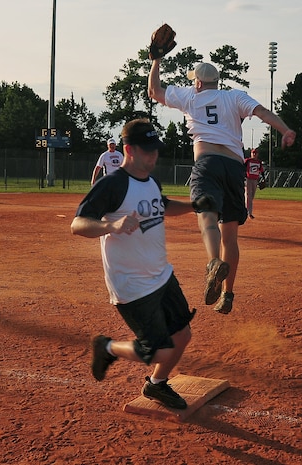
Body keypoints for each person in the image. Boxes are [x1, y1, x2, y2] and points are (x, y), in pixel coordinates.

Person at [148, 59, 296, 314]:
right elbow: (262, 113)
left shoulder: (190, 97)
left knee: (206, 212)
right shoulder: (234, 96)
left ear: (197, 82)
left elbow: (155, 92)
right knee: (230, 236)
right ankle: (227, 295)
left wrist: (156, 60)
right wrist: (285, 130)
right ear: (217, 81)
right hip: (233, 167)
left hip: (207, 163)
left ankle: (213, 261)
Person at [71, 118, 198, 410]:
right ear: (129, 149)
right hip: (133, 285)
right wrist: (111, 226)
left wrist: (193, 206)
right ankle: (107, 347)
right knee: (160, 352)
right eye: (147, 151)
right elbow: (78, 224)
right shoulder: (112, 184)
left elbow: (161, 205)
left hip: (162, 274)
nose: (154, 156)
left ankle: (157, 386)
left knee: (182, 335)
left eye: (156, 150)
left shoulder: (151, 180)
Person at [244, 148, 265, 219]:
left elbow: (262, 171)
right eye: (253, 153)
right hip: (248, 179)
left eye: (255, 153)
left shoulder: (259, 162)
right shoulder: (248, 161)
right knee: (249, 196)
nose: (254, 154)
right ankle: (249, 213)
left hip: (255, 180)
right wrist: (243, 177)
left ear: (257, 154)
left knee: (252, 196)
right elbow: (243, 168)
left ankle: (246, 209)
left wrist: (264, 179)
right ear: (251, 154)